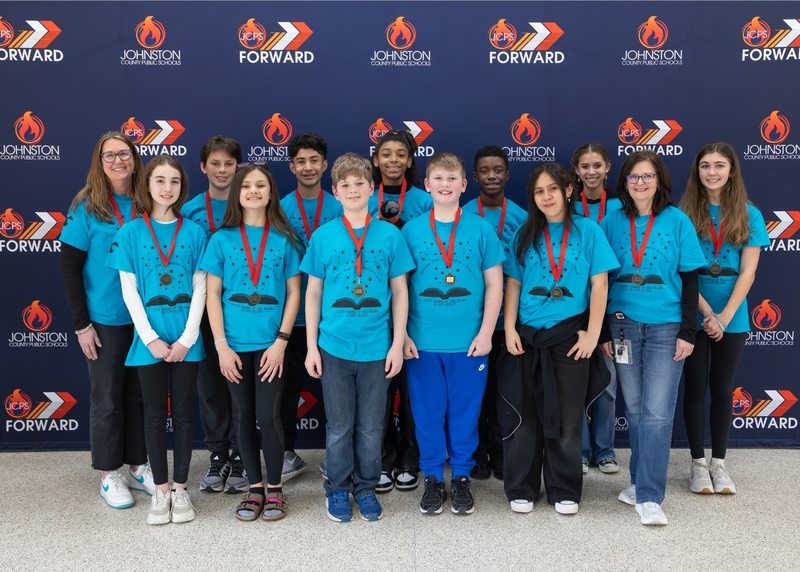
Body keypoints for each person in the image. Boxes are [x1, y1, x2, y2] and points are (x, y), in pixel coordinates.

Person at [497, 162, 618, 515]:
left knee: (567, 418)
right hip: (527, 338)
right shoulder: (523, 234)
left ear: (568, 189)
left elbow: (599, 283)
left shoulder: (588, 231)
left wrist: (594, 334)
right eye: (538, 191)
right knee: (525, 417)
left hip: (569, 337)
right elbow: (514, 285)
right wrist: (508, 329)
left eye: (552, 188)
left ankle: (564, 488)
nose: (546, 196)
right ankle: (522, 486)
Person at [303, 153, 414, 522]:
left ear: (372, 188)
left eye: (359, 184)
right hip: (333, 347)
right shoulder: (323, 236)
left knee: (370, 427)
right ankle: (337, 489)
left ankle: (366, 487)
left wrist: (397, 344)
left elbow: (400, 292)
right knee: (339, 427)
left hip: (377, 349)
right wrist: (310, 347)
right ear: (335, 192)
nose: (353, 190)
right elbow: (313, 293)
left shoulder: (390, 234)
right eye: (345, 185)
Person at [599, 150, 705, 526]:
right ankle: (638, 481)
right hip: (622, 326)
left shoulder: (677, 221)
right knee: (637, 410)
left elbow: (691, 276)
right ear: (624, 182)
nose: (640, 183)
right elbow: (600, 280)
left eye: (647, 176)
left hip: (666, 328)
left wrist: (688, 331)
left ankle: (649, 494)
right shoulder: (611, 221)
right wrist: (602, 331)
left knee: (658, 414)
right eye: (633, 177)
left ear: (659, 180)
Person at [402, 152, 505, 516]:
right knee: (428, 414)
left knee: (465, 412)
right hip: (422, 343)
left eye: (452, 179)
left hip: (469, 343)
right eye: (438, 179)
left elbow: (495, 284)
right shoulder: (411, 230)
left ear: (465, 185)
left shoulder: (480, 228)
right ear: (426, 185)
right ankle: (432, 477)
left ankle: (460, 476)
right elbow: (397, 287)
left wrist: (487, 332)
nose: (445, 185)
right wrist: (402, 336)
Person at [107, 155, 208, 525]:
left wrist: (188, 337)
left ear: (182, 188)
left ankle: (181, 488)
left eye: (175, 182)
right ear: (147, 185)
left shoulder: (195, 233)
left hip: (186, 339)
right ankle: (160, 491)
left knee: (183, 414)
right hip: (147, 341)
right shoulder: (130, 233)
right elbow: (129, 291)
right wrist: (149, 338)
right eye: (160, 181)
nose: (168, 188)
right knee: (153, 415)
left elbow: (201, 287)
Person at [201, 164, 302, 521]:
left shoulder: (285, 238)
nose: (254, 191)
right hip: (233, 346)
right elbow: (212, 295)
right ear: (237, 193)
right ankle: (254, 488)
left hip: (271, 345)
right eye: (247, 185)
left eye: (261, 185)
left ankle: (275, 489)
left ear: (271, 193)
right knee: (241, 416)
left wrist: (281, 342)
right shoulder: (221, 239)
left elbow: (294, 293)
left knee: (267, 415)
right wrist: (221, 345)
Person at [60, 131, 154, 509]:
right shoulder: (88, 205)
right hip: (105, 319)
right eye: (109, 155)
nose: (118, 161)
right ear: (100, 163)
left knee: (140, 397)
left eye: (124, 154)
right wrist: (82, 325)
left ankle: (137, 465)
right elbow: (69, 267)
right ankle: (108, 473)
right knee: (107, 398)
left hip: (146, 318)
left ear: (134, 158)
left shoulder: (149, 199)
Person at [679, 142, 770, 495]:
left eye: (719, 165)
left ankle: (719, 463)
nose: (712, 172)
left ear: (731, 171)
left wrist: (726, 315)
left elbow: (748, 271)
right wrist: (706, 314)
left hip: (733, 316)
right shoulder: (684, 213)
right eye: (705, 165)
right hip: (694, 312)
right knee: (696, 386)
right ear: (697, 171)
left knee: (721, 389)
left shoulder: (750, 215)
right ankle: (698, 464)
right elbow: (683, 271)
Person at [181, 135, 248, 494]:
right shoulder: (190, 211)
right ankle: (218, 454)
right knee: (209, 389)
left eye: (229, 163)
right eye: (216, 164)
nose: (223, 170)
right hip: (200, 313)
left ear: (238, 166)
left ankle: (240, 453)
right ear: (203, 167)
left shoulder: (251, 203)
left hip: (241, 314)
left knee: (238, 387)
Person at [369, 130, 433, 493]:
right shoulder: (364, 198)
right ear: (376, 161)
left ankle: (411, 458)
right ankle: (382, 459)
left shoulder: (424, 202)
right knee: (378, 394)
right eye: (386, 154)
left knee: (410, 395)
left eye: (401, 155)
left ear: (410, 161)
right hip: (375, 311)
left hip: (417, 309)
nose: (393, 160)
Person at [279, 133, 343, 481]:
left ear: (324, 165)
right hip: (290, 316)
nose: (307, 167)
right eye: (300, 161)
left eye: (314, 160)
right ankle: (287, 452)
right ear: (292, 166)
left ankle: (337, 455)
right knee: (287, 387)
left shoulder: (339, 206)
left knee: (333, 389)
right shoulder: (280, 208)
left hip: (333, 316)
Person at [462, 145, 527, 481]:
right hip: (473, 321)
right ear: (474, 177)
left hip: (507, 323)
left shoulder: (521, 217)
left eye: (497, 170)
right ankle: (478, 453)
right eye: (484, 170)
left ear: (507, 175)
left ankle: (502, 451)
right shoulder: (463, 215)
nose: (491, 176)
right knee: (477, 394)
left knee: (504, 392)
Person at [571, 143, 623, 475]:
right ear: (576, 171)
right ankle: (579, 448)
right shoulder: (565, 206)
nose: (591, 172)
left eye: (597, 166)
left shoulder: (622, 205)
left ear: (607, 168)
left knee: (607, 381)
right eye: (584, 166)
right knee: (572, 382)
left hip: (612, 304)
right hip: (574, 307)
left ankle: (604, 449)